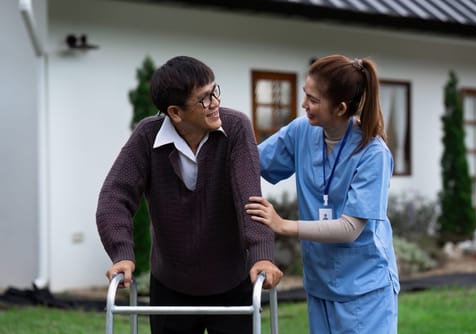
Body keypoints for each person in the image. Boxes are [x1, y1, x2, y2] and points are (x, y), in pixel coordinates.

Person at [96, 55, 283, 334]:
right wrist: (122, 253)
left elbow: (249, 196)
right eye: (204, 99)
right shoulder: (148, 136)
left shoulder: (236, 128)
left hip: (231, 283)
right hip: (170, 286)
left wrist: (261, 254)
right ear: (175, 112)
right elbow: (113, 198)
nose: (215, 102)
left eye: (214, 91)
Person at [245, 54, 399, 333]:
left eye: (313, 100)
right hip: (320, 285)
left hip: (365, 290)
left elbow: (350, 228)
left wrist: (282, 225)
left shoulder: (373, 154)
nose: (304, 104)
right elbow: (251, 162)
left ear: (340, 108)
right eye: (306, 94)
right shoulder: (302, 131)